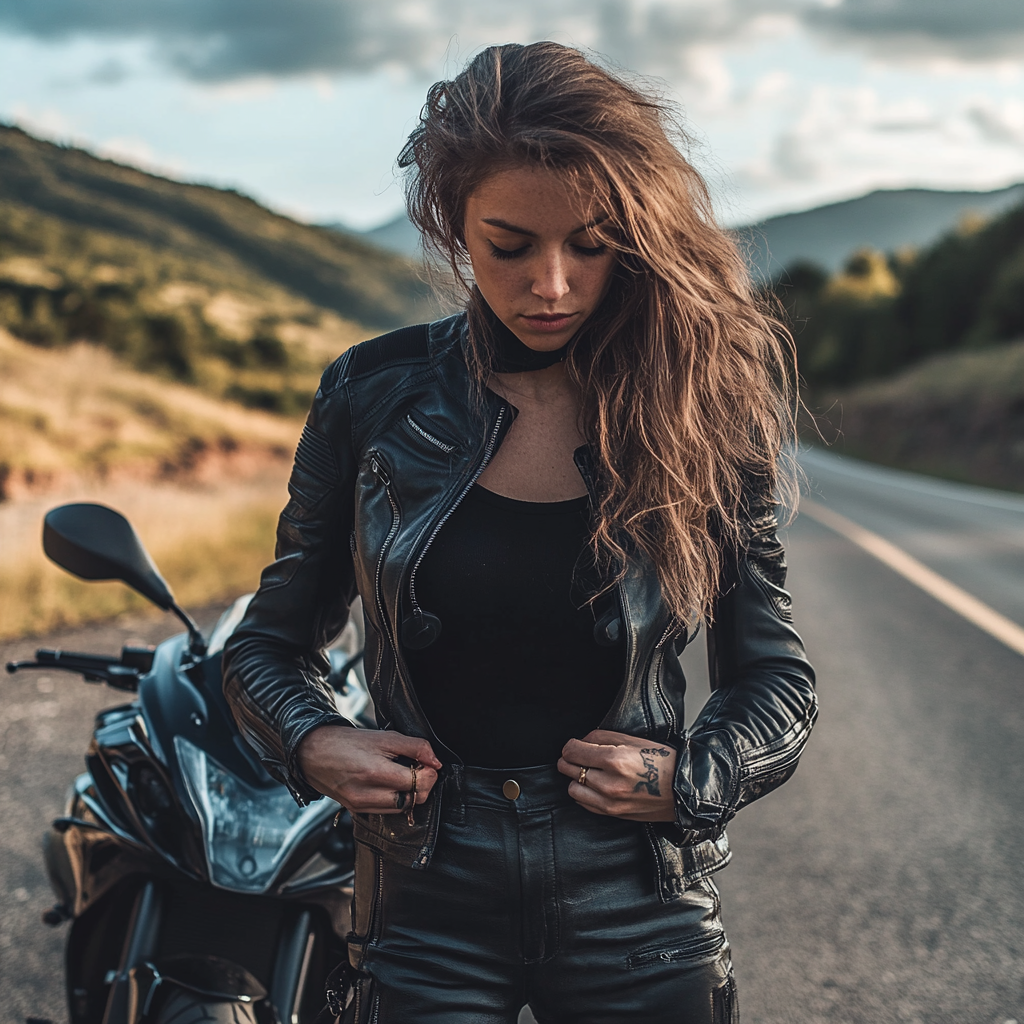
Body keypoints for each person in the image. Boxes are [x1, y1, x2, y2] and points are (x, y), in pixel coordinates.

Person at [223, 41, 817, 1024]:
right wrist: (315, 740)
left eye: (589, 244)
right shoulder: (372, 396)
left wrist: (693, 780)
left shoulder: (697, 408)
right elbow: (266, 645)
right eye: (510, 245)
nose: (551, 284)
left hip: (638, 902)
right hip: (423, 899)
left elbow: (775, 678)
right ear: (453, 225)